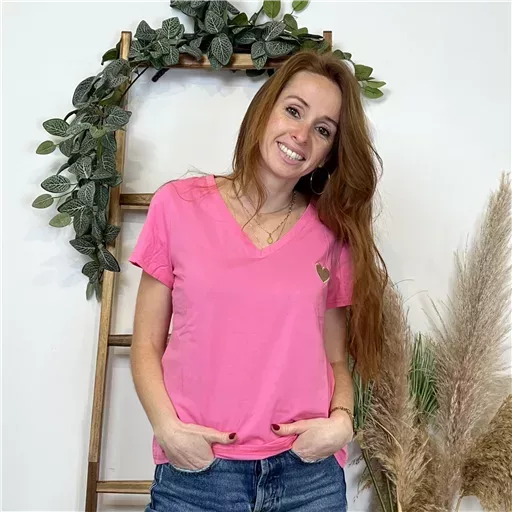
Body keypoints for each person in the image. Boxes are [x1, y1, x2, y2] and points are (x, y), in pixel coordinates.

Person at [129, 49, 388, 512]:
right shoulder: (177, 206)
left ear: (329, 155)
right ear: (265, 110)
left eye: (323, 130)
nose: (301, 135)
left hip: (307, 478)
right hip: (198, 475)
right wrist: (167, 429)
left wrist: (342, 421)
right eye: (294, 110)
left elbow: (335, 359)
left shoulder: (332, 236)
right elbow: (146, 344)